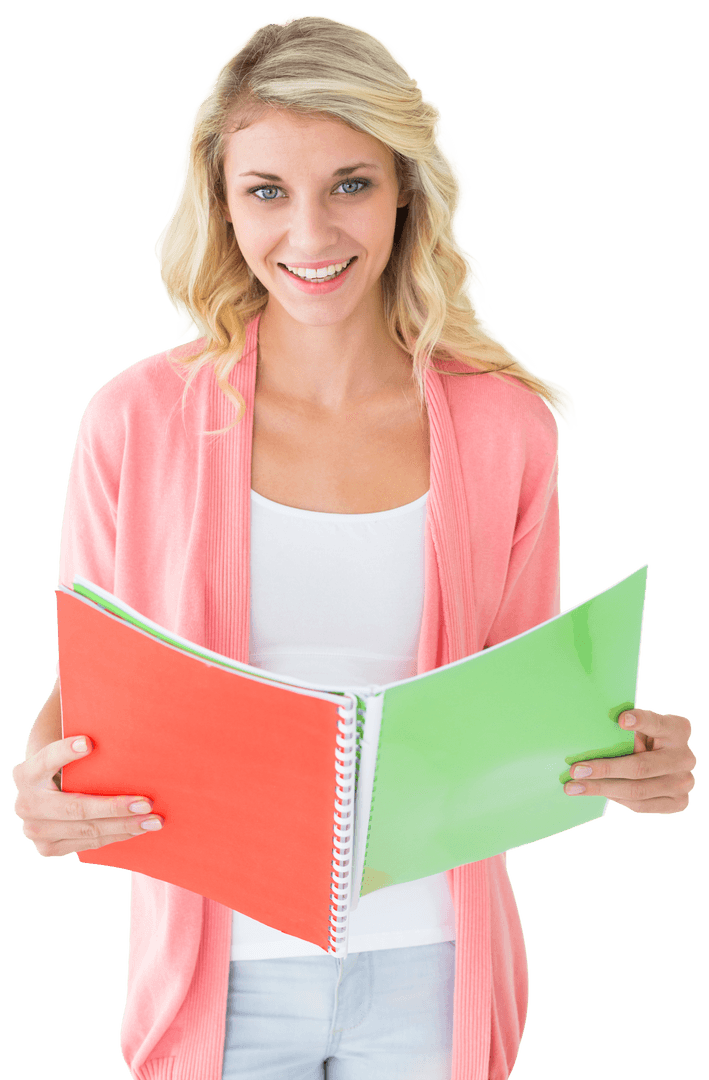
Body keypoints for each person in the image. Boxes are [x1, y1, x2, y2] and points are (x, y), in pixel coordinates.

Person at [10, 14, 696, 1080]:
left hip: (436, 967)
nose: (311, 235)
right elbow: (95, 687)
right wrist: (43, 788)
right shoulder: (135, 418)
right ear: (223, 203)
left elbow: (528, 706)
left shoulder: (500, 425)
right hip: (220, 973)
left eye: (350, 184)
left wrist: (637, 763)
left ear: (406, 190)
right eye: (267, 191)